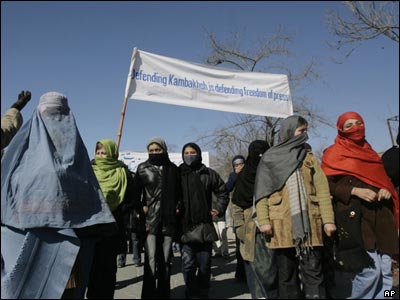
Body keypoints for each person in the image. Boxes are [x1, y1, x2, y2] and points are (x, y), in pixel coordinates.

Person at [1, 91, 116, 299]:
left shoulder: (81, 164)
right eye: (49, 114)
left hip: (75, 249)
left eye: (61, 115)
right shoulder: (20, 162)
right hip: (28, 247)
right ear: (37, 117)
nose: (56, 121)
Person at [254, 115, 337, 299]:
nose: (304, 135)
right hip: (280, 224)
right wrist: (264, 221)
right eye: (301, 131)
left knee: (314, 272)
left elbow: (322, 190)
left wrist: (328, 220)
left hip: (309, 224)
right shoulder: (270, 158)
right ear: (289, 132)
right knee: (286, 274)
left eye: (306, 131)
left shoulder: (309, 157)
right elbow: (261, 192)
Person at [321, 111, 399, 299]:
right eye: (349, 125)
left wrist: (385, 190)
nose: (355, 128)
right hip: (356, 220)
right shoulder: (333, 154)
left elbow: (383, 181)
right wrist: (354, 191)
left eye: (359, 123)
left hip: (382, 218)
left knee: (387, 273)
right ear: (340, 129)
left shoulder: (371, 152)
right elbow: (325, 186)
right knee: (369, 273)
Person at [132, 137, 181, 299]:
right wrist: (141, 208)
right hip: (149, 221)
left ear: (164, 150)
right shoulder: (142, 168)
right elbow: (134, 195)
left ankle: (163, 294)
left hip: (168, 221)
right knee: (151, 260)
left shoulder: (173, 169)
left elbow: (179, 193)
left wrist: (177, 207)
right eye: (151, 150)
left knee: (166, 260)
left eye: (158, 150)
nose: (154, 153)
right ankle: (148, 295)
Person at [179, 142, 229, 299]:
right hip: (185, 227)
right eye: (186, 152)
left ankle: (202, 291)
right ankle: (190, 290)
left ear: (198, 153)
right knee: (187, 264)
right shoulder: (178, 173)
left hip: (205, 226)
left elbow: (222, 191)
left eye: (192, 152)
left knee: (205, 264)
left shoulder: (209, 173)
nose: (189, 155)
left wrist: (219, 208)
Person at [86, 139, 134, 299]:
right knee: (91, 271)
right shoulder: (87, 170)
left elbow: (131, 200)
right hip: (90, 228)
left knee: (107, 272)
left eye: (104, 153)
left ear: (112, 154)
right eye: (98, 153)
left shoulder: (124, 173)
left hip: (113, 228)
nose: (100, 156)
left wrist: (116, 208)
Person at [231, 140, 279, 299]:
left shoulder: (275, 174)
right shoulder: (243, 178)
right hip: (250, 232)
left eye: (263, 153)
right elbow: (236, 205)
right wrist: (239, 228)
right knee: (256, 278)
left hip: (274, 231)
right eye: (256, 154)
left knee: (272, 275)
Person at [225, 154, 247, 282]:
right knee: (240, 246)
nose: (239, 167)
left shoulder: (251, 174)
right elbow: (227, 188)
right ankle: (240, 275)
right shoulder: (233, 176)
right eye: (236, 165)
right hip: (238, 214)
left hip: (252, 213)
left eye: (241, 164)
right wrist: (235, 176)